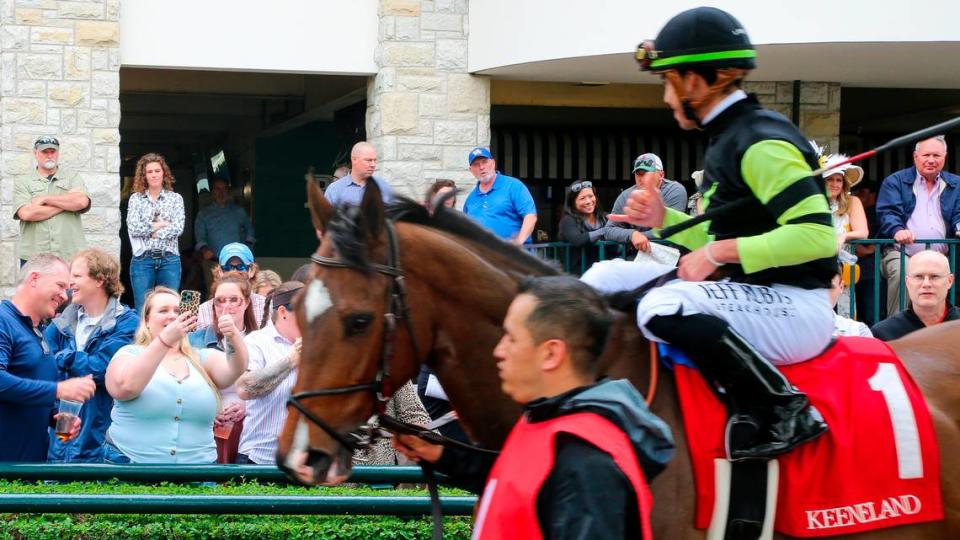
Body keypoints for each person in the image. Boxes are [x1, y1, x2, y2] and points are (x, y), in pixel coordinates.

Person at [584, 7, 837, 460]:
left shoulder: (760, 141)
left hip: (797, 305)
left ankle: (781, 406)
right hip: (754, 295)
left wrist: (720, 251)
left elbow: (819, 238)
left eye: (668, 81)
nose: (665, 97)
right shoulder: (730, 138)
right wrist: (663, 219)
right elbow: (717, 243)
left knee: (663, 303)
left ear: (696, 83)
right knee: (601, 276)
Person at [393, 276, 674, 539]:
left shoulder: (586, 462)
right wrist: (440, 452)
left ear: (551, 353)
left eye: (511, 338)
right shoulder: (548, 420)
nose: (499, 351)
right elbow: (521, 481)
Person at [103, 287, 247, 463]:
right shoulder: (129, 353)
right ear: (147, 320)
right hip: (131, 465)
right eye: (163, 311)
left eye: (178, 311)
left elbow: (235, 368)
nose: (172, 316)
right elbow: (125, 388)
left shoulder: (201, 357)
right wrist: (164, 341)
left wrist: (232, 335)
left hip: (198, 474)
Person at [45, 249, 139, 463]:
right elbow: (43, 364)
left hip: (101, 445)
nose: (70, 283)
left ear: (99, 279)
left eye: (77, 276)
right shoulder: (60, 322)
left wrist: (64, 358)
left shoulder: (126, 322)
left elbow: (101, 369)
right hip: (58, 443)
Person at [0, 254, 95, 462]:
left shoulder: (38, 331)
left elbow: (28, 387)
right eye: (60, 286)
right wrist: (59, 390)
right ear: (34, 279)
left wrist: (54, 416)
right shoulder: (3, 320)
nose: (65, 295)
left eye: (67, 289)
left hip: (29, 469)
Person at [877, 135, 960, 315]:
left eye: (937, 156)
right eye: (926, 155)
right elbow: (887, 213)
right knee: (902, 273)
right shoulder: (895, 181)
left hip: (944, 255)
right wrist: (897, 230)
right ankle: (897, 332)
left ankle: (948, 334)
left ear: (944, 157)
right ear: (916, 157)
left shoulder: (957, 183)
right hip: (901, 252)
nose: (931, 160)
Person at [188, 272, 258, 463]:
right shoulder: (194, 340)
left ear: (246, 303)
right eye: (219, 300)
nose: (226, 306)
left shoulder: (261, 340)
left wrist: (245, 406)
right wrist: (211, 408)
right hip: (203, 431)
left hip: (251, 432)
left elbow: (269, 387)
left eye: (234, 300)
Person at [235, 282, 304, 465]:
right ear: (283, 312)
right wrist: (290, 360)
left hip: (303, 462)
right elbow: (246, 389)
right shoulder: (256, 342)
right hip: (259, 459)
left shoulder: (318, 345)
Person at [13, 136, 91, 264]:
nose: (49, 155)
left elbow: (82, 202)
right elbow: (27, 213)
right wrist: (66, 204)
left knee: (70, 285)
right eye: (45, 152)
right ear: (35, 153)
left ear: (58, 153)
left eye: (53, 151)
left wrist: (45, 198)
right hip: (34, 257)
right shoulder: (23, 181)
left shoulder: (72, 177)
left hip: (69, 255)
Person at [126, 153, 185, 313]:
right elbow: (133, 228)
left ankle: (168, 338)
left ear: (163, 173)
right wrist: (160, 224)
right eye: (149, 171)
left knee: (170, 306)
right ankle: (144, 339)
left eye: (157, 171)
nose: (153, 175)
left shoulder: (175, 199)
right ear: (144, 176)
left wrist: (154, 233)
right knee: (142, 309)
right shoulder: (136, 199)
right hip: (143, 259)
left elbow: (178, 227)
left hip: (169, 259)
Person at [871, 250, 960, 341]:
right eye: (918, 277)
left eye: (934, 276)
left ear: (949, 281)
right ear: (907, 282)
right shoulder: (884, 333)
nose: (926, 284)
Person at [609, 153, 689, 254]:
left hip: (670, 255)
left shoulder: (675, 190)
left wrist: (641, 236)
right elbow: (609, 229)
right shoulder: (626, 195)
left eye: (646, 173)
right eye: (638, 173)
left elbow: (670, 228)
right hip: (637, 257)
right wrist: (632, 234)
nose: (641, 179)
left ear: (661, 175)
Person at [463, 146, 538, 244]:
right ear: (471, 170)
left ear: (493, 163)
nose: (481, 167)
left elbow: (530, 216)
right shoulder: (470, 200)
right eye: (476, 164)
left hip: (513, 255)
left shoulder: (513, 186)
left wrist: (519, 240)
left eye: (484, 162)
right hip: (483, 257)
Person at [823, 154, 868, 317]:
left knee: (845, 312)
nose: (834, 184)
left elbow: (863, 232)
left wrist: (842, 237)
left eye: (839, 180)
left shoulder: (852, 201)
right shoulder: (811, 203)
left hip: (844, 265)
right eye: (830, 179)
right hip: (815, 262)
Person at [194, 176, 255, 291]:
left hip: (237, 264)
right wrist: (204, 249)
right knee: (215, 293)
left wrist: (247, 247)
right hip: (214, 263)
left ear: (228, 191)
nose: (221, 193)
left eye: (224, 189)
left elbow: (250, 231)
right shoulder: (204, 214)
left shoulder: (239, 211)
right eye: (217, 189)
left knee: (239, 292)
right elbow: (200, 238)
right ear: (212, 192)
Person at [196, 243, 266, 330]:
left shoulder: (266, 306)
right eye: (227, 267)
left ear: (251, 270)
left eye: (240, 267)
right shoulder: (204, 310)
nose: (234, 272)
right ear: (220, 272)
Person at [556, 180, 613, 272]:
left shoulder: (604, 217)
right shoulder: (567, 220)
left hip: (605, 273)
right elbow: (578, 239)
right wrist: (606, 231)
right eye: (582, 198)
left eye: (591, 196)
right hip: (579, 275)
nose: (588, 201)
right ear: (572, 202)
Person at [323, 142, 394, 206]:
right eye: (368, 160)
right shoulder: (334, 189)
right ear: (354, 160)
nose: (373, 165)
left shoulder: (383, 187)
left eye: (374, 160)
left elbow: (393, 217)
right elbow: (325, 219)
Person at [829, 262, 872, 338]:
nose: (821, 294)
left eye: (829, 287)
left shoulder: (859, 332)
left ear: (841, 287)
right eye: (813, 287)